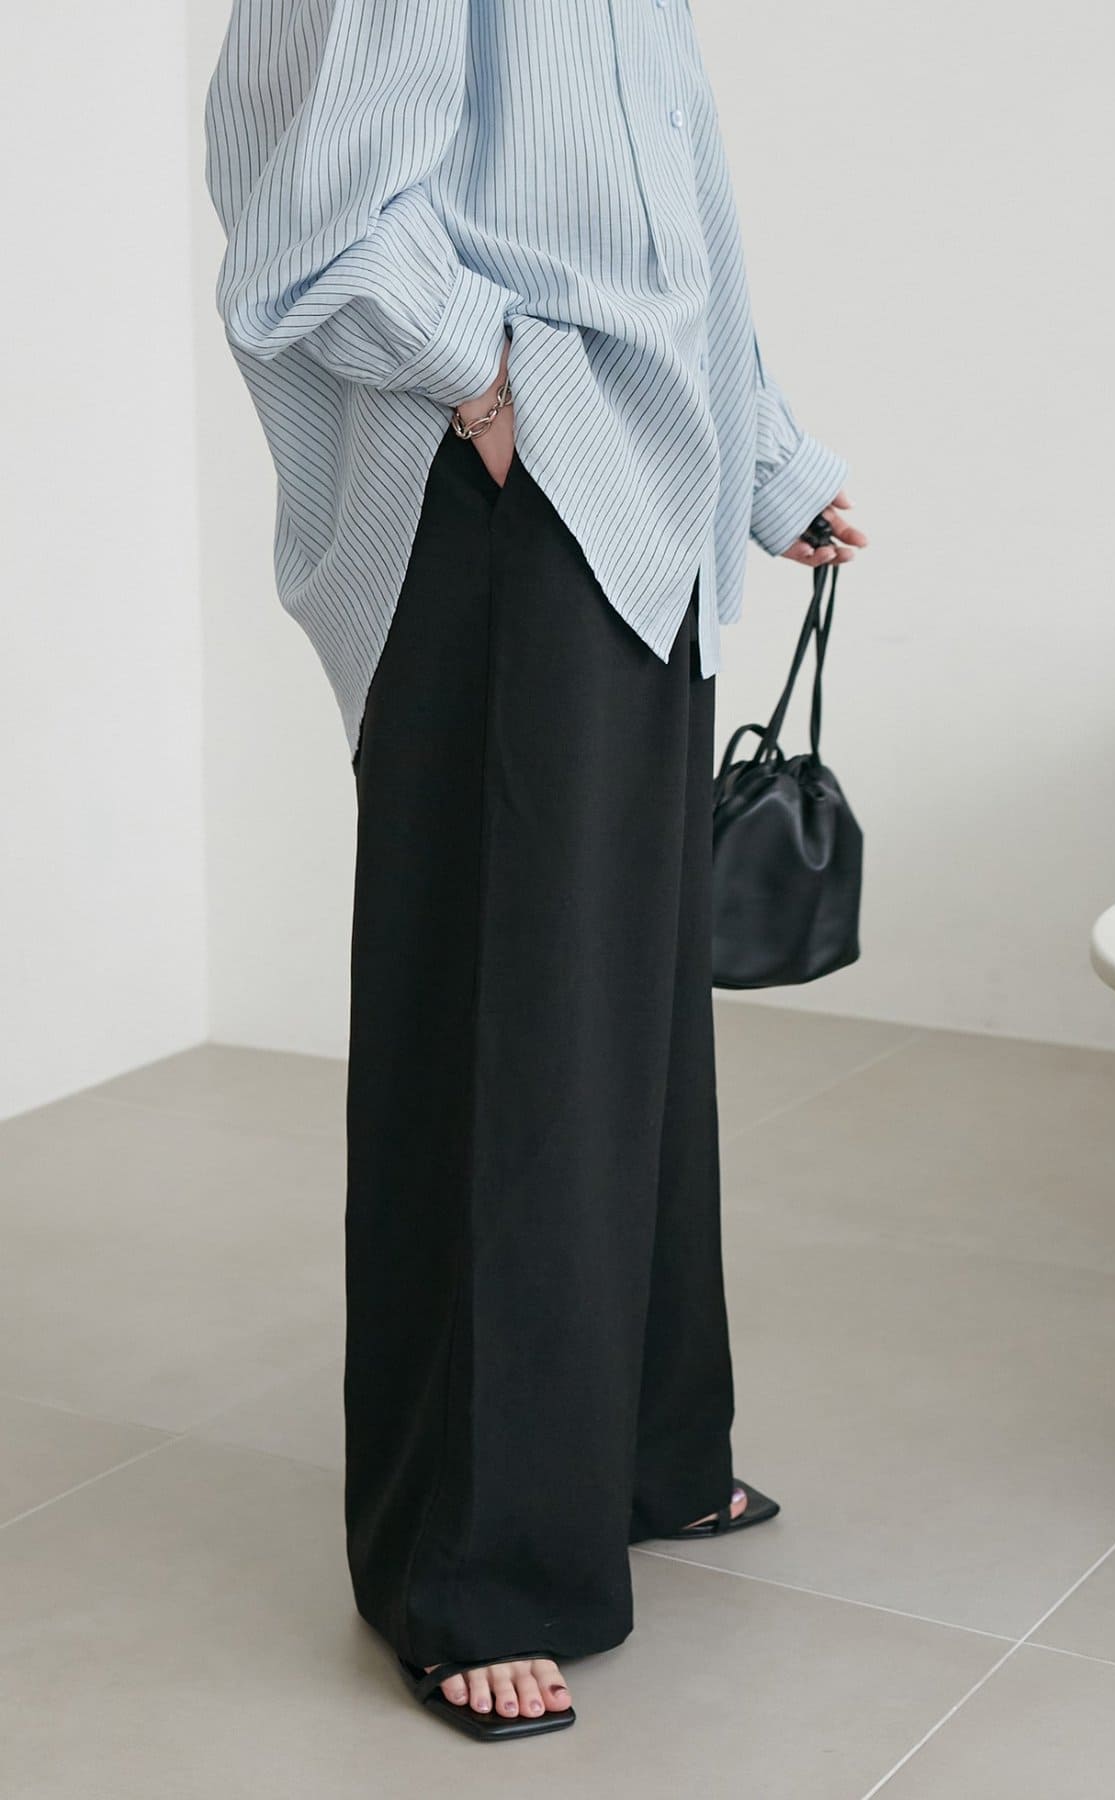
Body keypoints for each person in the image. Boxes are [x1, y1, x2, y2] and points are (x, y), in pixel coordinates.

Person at [204, 0, 866, 1743]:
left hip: (639, 485)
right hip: (511, 485)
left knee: (620, 1011)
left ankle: (643, 1450)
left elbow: (674, 216)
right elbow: (309, 202)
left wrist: (765, 456)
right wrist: (490, 390)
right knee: (507, 1032)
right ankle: (475, 1566)